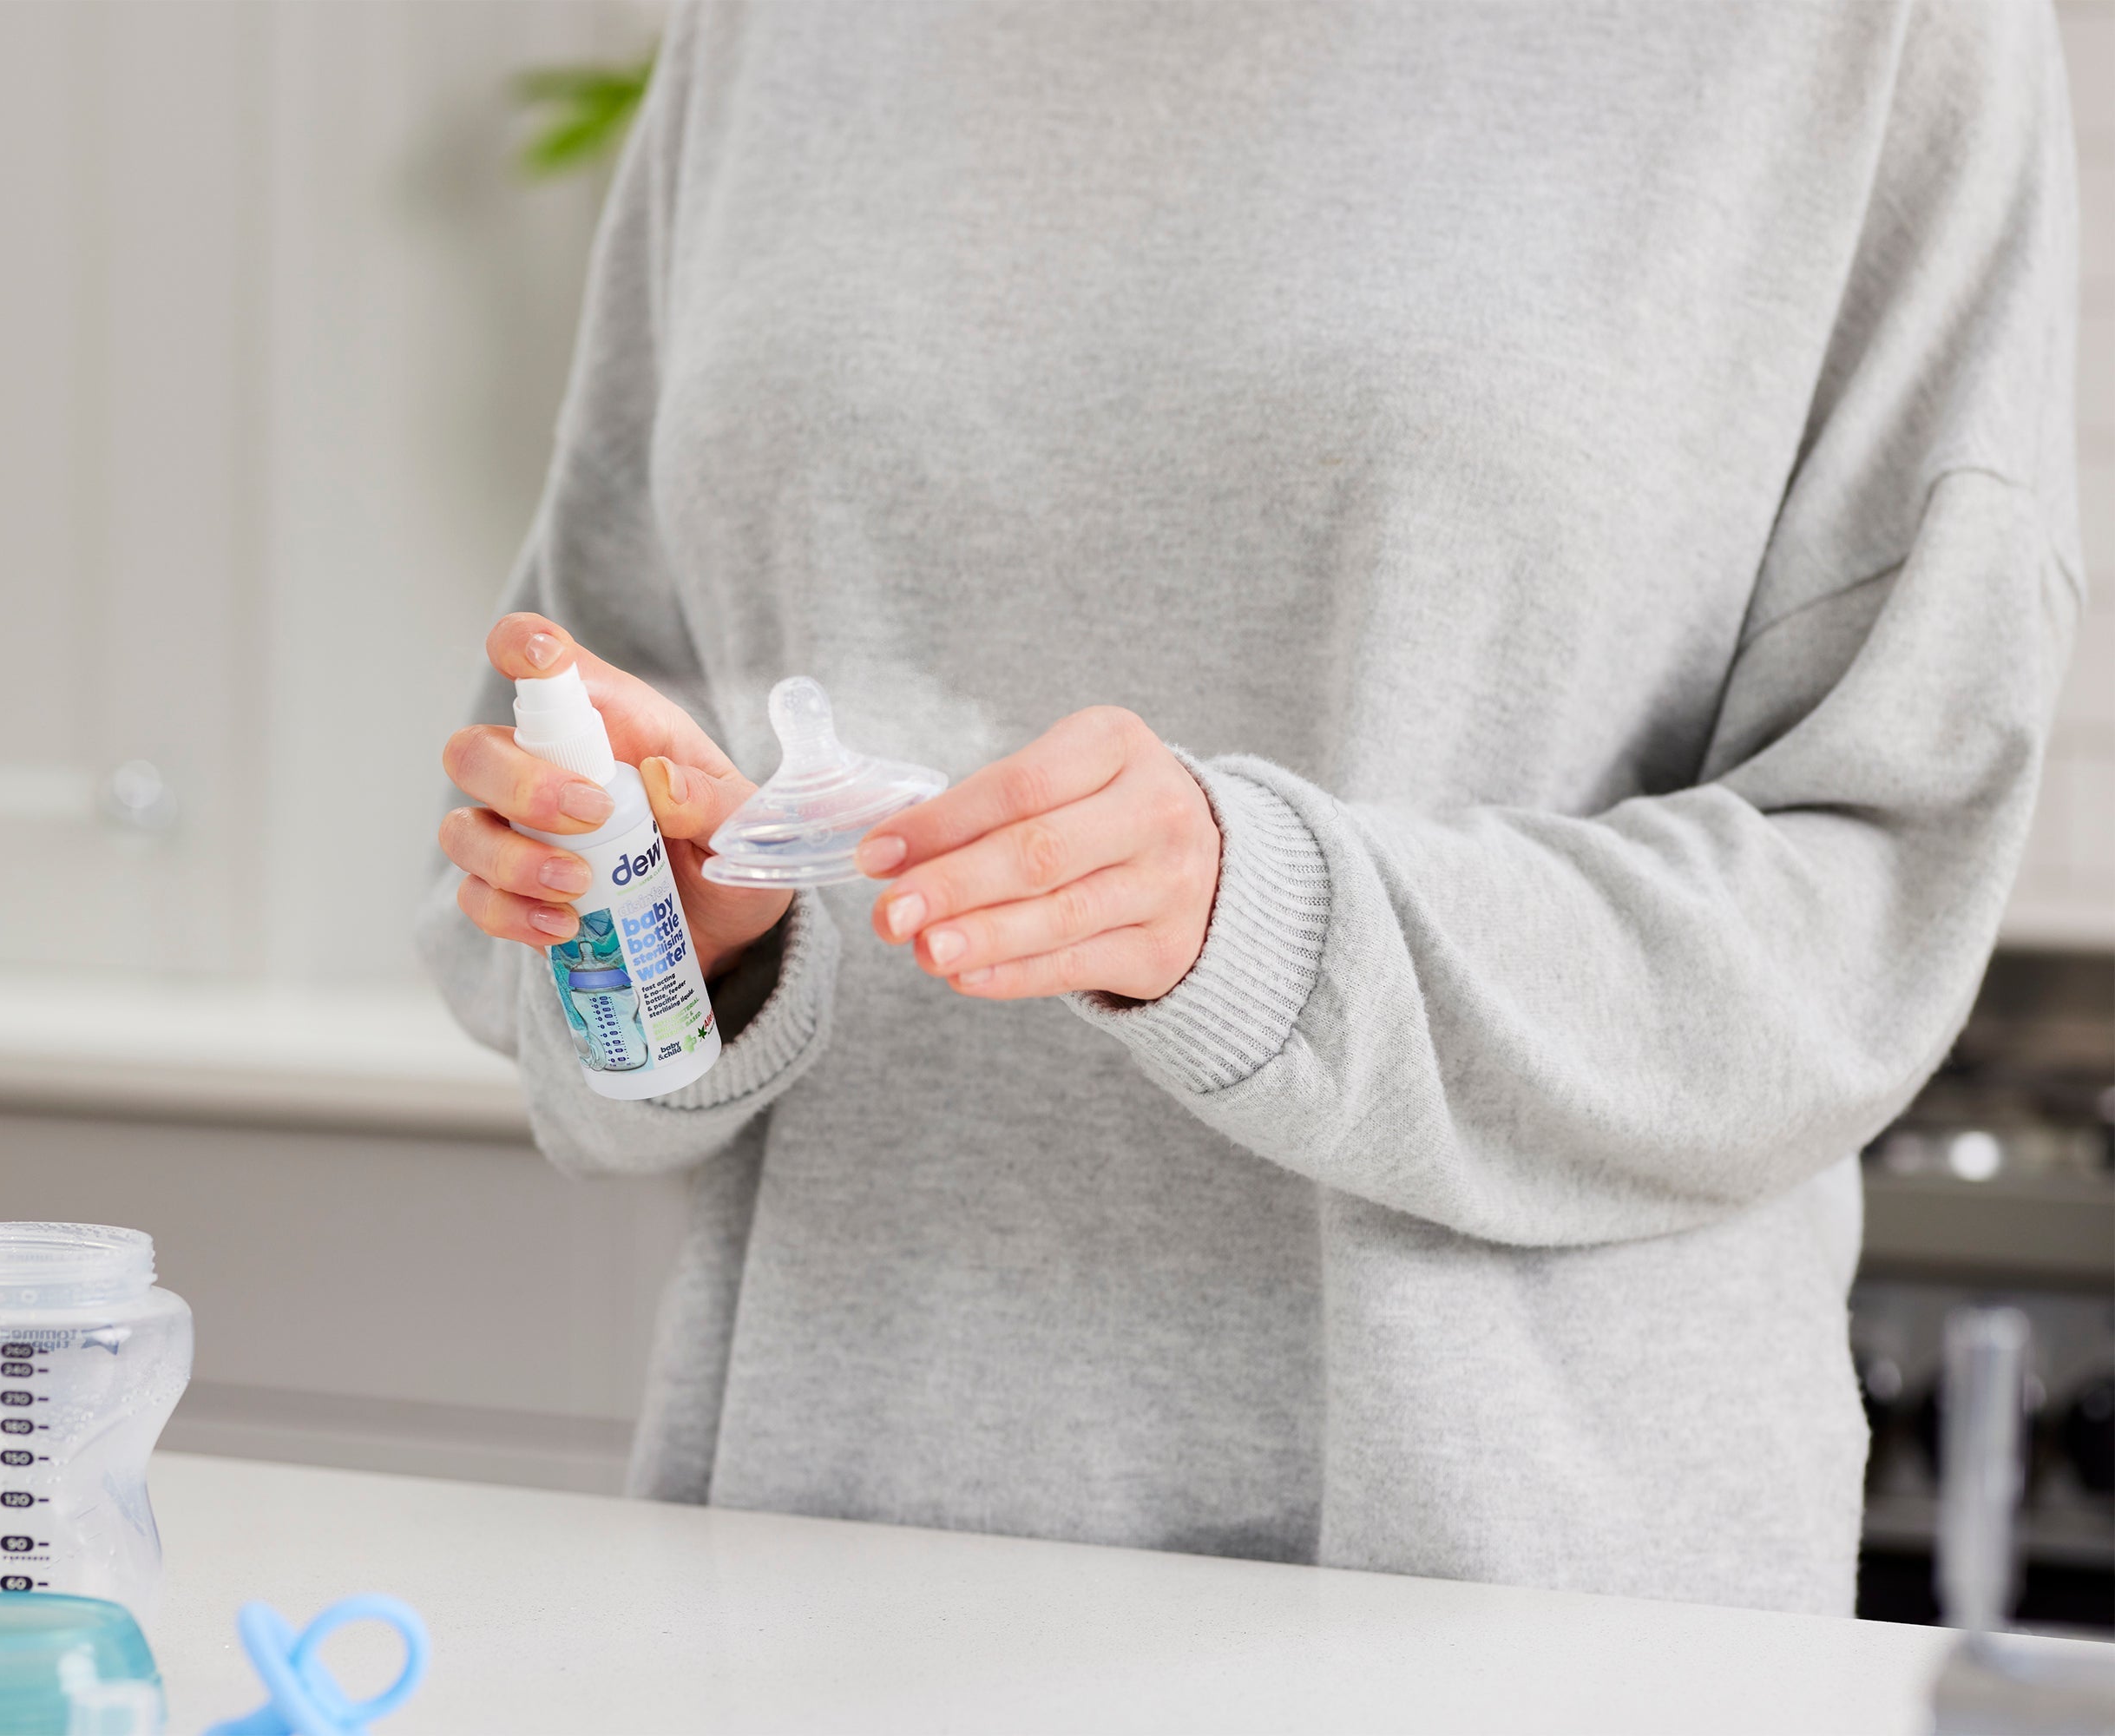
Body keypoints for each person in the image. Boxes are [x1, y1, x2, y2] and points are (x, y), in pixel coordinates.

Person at [422, 1, 2081, 1614]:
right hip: (813, 1567)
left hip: (1503, 1605)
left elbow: (1870, 904)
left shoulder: (1867, 32)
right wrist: (679, 936)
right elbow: (575, 738)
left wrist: (1272, 926)